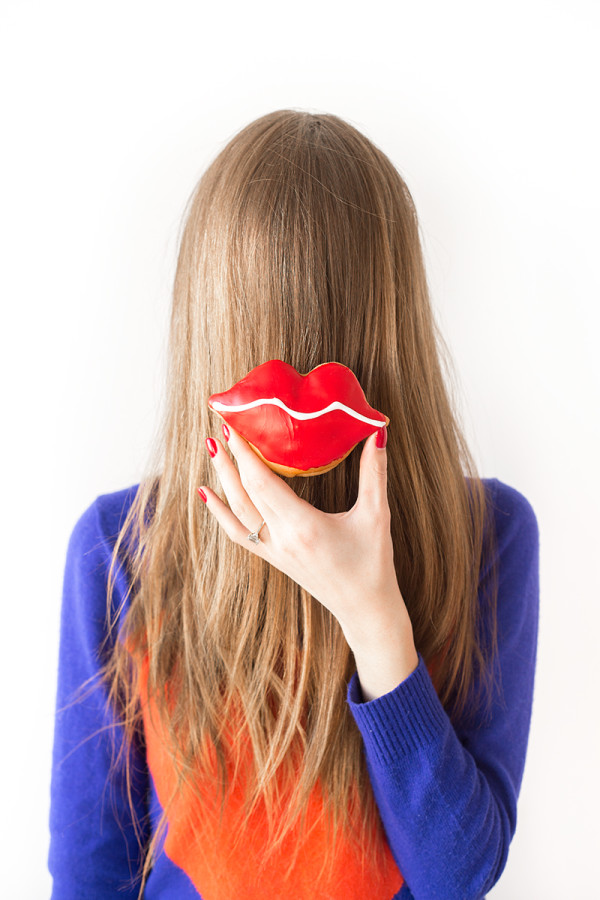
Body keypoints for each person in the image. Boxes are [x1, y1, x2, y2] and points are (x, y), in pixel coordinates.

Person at [48, 109, 540, 900]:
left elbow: (459, 878)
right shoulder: (118, 547)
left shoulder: (490, 537)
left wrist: (375, 619)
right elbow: (90, 874)